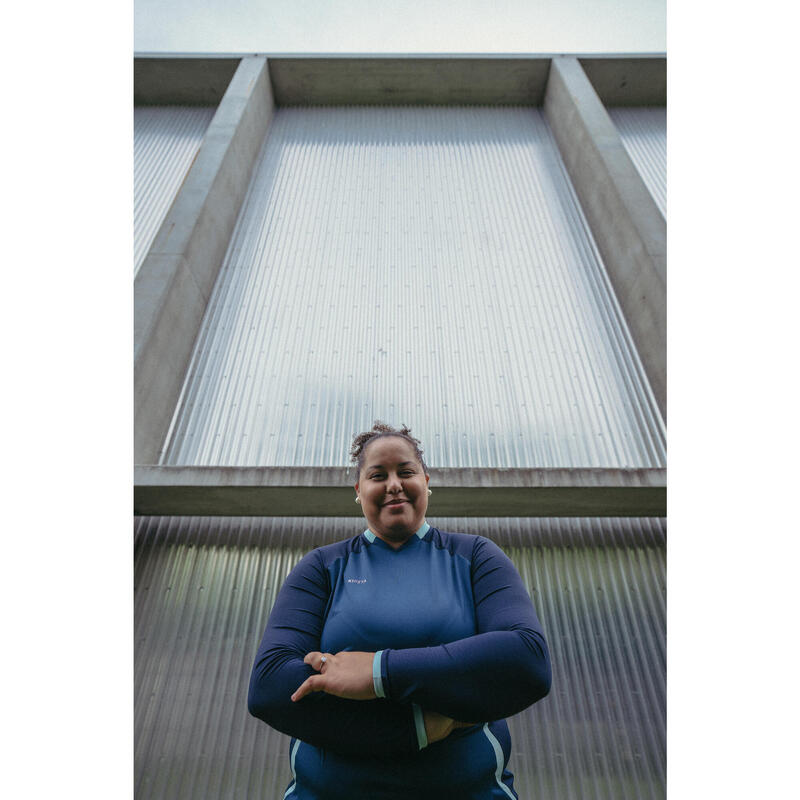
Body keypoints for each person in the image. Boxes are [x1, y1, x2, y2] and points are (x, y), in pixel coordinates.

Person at [248, 422, 551, 799]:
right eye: (378, 475)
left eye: (405, 472)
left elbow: (525, 659)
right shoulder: (322, 567)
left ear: (426, 480)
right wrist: (418, 727)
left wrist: (378, 673)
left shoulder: (475, 557)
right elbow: (271, 686)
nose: (394, 484)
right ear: (359, 491)